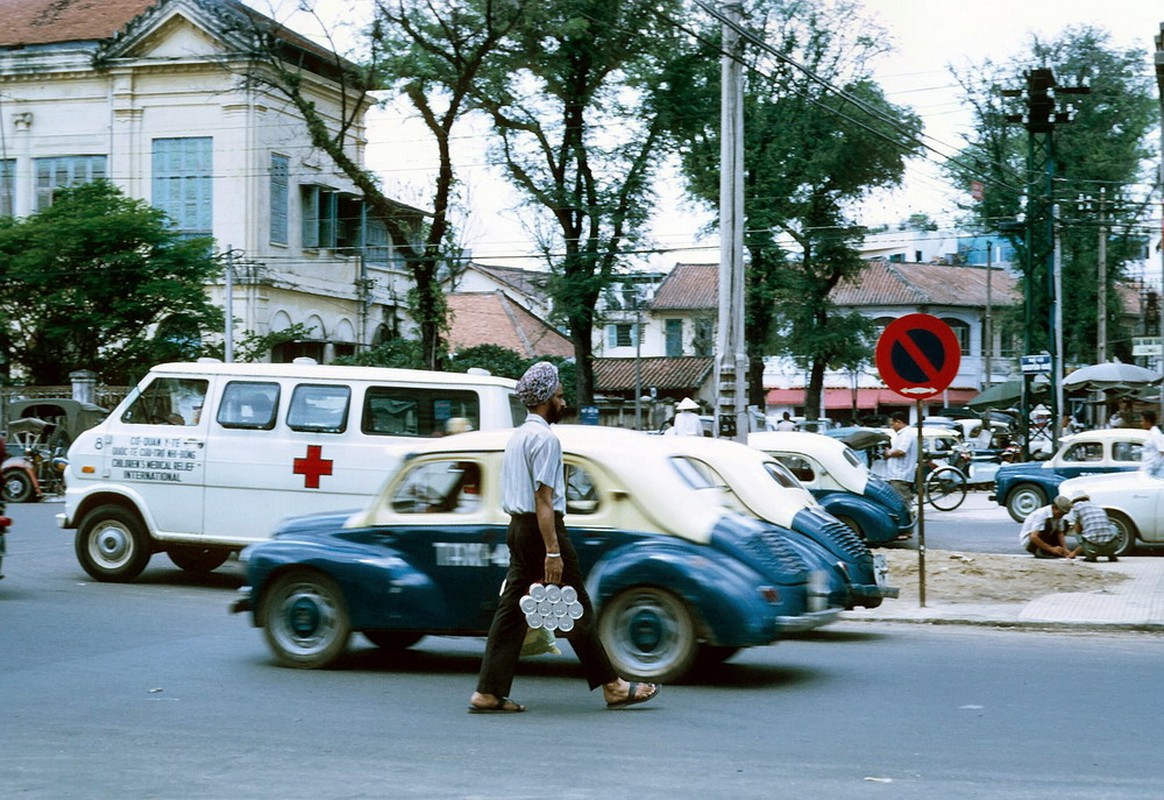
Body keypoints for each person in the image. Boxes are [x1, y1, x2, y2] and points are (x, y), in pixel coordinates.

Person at [469, 361, 660, 713]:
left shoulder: (518, 437)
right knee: (575, 606)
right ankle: (614, 687)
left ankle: (488, 692)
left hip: (518, 529)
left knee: (512, 612)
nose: (563, 401)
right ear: (545, 400)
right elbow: (543, 499)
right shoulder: (545, 439)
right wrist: (553, 551)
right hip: (543, 532)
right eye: (558, 396)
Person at [1065, 492, 1119, 562]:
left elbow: (1078, 531)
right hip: (1112, 546)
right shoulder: (1096, 506)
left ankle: (1091, 556)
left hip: (1093, 548)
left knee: (1079, 532)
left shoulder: (1076, 507)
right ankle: (1111, 554)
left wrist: (1073, 553)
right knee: (1112, 527)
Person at [882, 412, 916, 500]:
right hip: (896, 473)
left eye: (892, 424)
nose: (892, 427)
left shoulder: (907, 434)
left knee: (903, 500)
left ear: (899, 422)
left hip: (900, 474)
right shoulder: (902, 434)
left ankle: (909, 513)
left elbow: (901, 451)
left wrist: (888, 453)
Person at [1140, 410, 1164, 479]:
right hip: (1148, 467)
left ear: (1148, 421)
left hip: (1153, 470)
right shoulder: (1151, 433)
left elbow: (1162, 451)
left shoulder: (1155, 434)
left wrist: (1155, 467)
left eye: (1142, 421)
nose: (1141, 423)